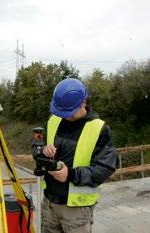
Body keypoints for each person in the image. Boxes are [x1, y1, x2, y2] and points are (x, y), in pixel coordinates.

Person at [40, 78, 117, 233]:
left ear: (83, 102)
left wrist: (71, 174)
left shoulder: (99, 129)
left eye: (69, 112)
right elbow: (39, 146)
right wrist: (43, 151)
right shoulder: (54, 120)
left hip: (76, 210)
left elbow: (105, 168)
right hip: (49, 203)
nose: (65, 116)